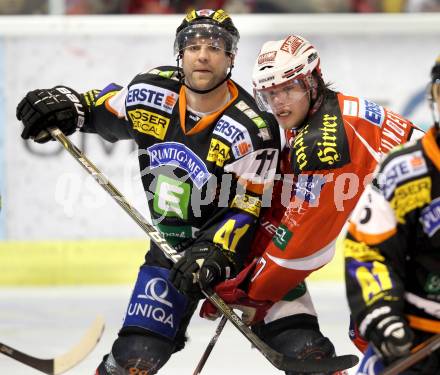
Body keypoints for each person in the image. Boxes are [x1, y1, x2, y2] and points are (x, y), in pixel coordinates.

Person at [15, 9, 281, 374]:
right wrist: (65, 106)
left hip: (243, 256)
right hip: (169, 249)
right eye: (193, 46)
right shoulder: (152, 92)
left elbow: (250, 206)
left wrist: (216, 251)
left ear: (231, 57)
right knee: (134, 356)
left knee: (302, 344)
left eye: (215, 47)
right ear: (180, 53)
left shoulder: (253, 128)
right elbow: (96, 108)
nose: (202, 55)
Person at [200, 34, 425, 373]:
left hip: (426, 229)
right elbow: (289, 202)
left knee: (375, 323)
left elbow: (307, 246)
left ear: (312, 80)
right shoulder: (323, 113)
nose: (279, 103)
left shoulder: (323, 143)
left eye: (287, 89)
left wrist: (252, 291)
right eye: (270, 94)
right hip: (421, 225)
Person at [343, 56, 440, 374]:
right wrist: (382, 314)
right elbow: (368, 250)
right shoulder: (404, 171)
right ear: (433, 96)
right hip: (414, 333)